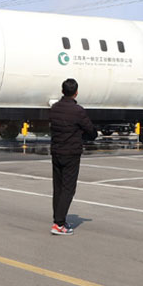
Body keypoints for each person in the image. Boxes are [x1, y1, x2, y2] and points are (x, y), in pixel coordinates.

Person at [49, 78, 97, 235]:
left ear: (63, 91)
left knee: (58, 187)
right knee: (68, 188)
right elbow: (91, 131)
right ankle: (59, 224)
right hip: (71, 154)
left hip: (56, 151)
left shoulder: (54, 108)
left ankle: (58, 218)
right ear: (76, 92)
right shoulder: (78, 111)